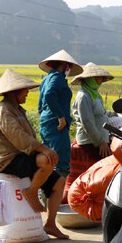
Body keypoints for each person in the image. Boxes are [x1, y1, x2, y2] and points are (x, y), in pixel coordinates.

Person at [0, 69, 67, 239]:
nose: (27, 94)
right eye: (25, 90)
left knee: (59, 182)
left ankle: (50, 224)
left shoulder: (17, 109)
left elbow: (28, 138)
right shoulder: (3, 109)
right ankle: (31, 191)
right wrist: (43, 148)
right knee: (46, 159)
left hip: (22, 156)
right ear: (15, 92)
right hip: (7, 159)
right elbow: (18, 137)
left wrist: (43, 148)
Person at [66, 63, 115, 201]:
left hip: (101, 138)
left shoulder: (94, 94)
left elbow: (100, 113)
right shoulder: (83, 96)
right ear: (89, 79)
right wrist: (100, 142)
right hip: (91, 141)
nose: (100, 81)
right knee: (101, 172)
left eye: (100, 78)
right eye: (97, 78)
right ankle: (96, 200)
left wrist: (113, 114)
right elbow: (87, 122)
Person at [37, 49, 83, 185]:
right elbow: (49, 95)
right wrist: (60, 116)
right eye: (68, 66)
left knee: (48, 160)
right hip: (56, 125)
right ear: (65, 65)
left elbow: (40, 105)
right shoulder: (57, 78)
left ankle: (45, 196)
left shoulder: (46, 79)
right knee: (61, 162)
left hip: (46, 123)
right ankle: (54, 196)